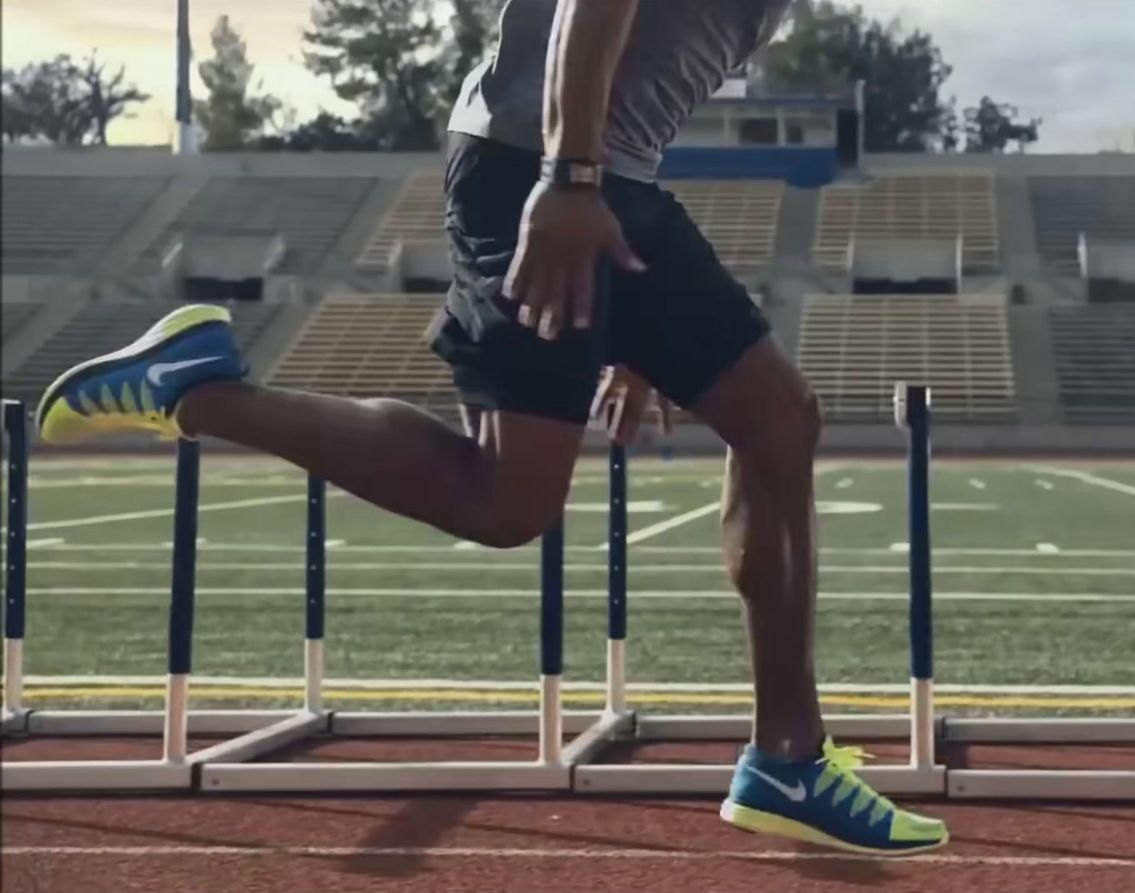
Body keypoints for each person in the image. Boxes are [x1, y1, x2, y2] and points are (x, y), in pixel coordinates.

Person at [35, 0, 947, 856]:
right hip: (538, 167)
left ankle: (788, 756)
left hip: (602, 173)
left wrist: (637, 341)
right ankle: (197, 394)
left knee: (779, 422)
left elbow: (647, 78)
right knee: (505, 498)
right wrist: (569, 176)